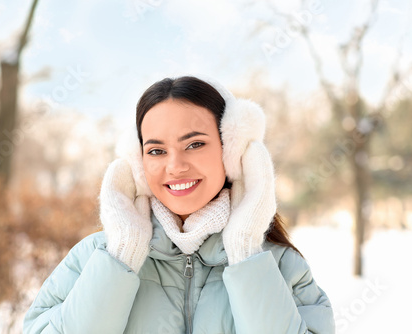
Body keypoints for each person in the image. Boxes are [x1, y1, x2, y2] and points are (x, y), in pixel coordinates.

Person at [23, 76, 335, 333]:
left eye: (195, 144)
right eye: (156, 151)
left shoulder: (279, 266)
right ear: (137, 162)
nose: (175, 166)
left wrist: (243, 251)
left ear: (232, 152)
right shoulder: (95, 259)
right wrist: (123, 255)